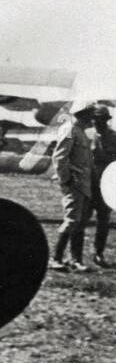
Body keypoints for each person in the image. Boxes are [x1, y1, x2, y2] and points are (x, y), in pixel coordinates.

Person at [50, 104, 97, 272]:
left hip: (83, 183)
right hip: (74, 182)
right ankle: (56, 259)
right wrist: (66, 179)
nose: (92, 118)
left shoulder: (80, 131)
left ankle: (75, 260)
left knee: (80, 222)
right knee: (71, 221)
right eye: (90, 114)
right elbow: (59, 157)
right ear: (82, 114)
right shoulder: (69, 129)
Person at [84, 106, 116, 268]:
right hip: (88, 183)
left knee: (103, 220)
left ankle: (98, 253)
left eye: (101, 119)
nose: (97, 122)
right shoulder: (86, 135)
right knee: (80, 219)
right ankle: (75, 256)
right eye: (95, 119)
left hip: (106, 184)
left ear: (106, 120)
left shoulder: (114, 137)